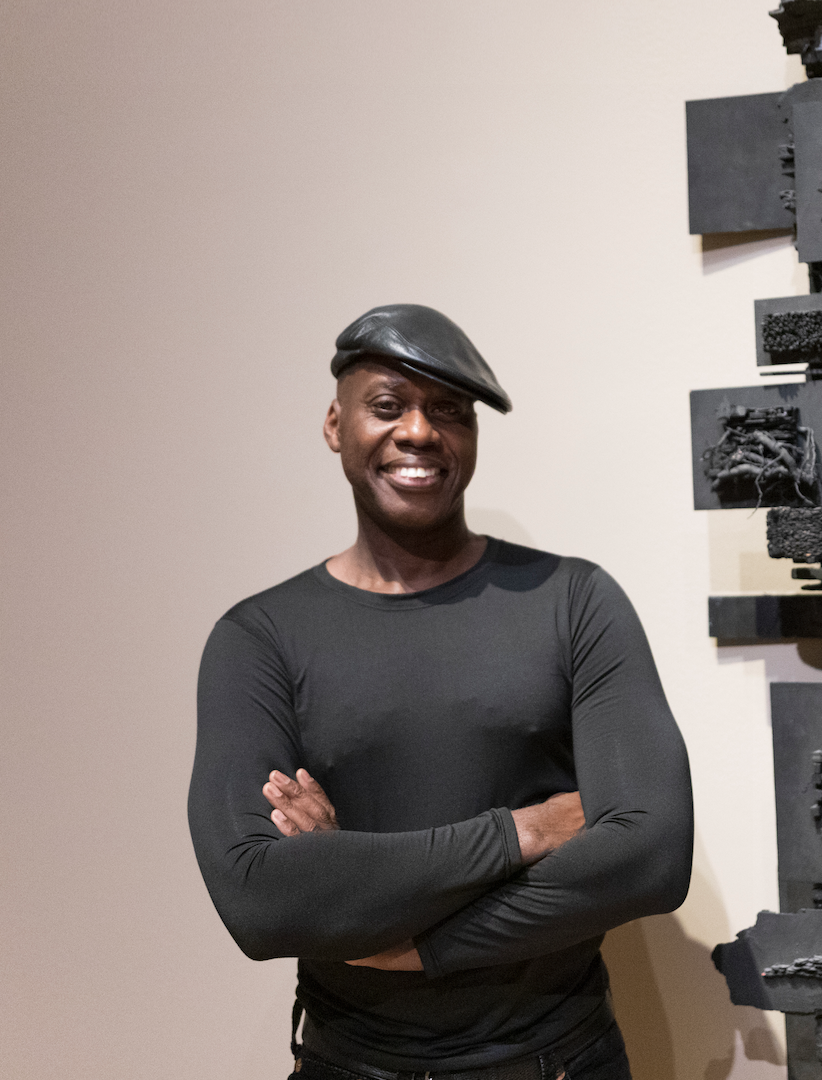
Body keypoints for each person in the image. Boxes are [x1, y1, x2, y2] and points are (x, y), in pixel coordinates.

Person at [187, 304, 694, 1080]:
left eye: (450, 412)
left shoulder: (574, 600)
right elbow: (260, 900)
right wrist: (528, 832)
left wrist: (406, 934)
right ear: (335, 423)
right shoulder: (259, 639)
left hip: (559, 1063)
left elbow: (652, 855)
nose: (419, 432)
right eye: (388, 405)